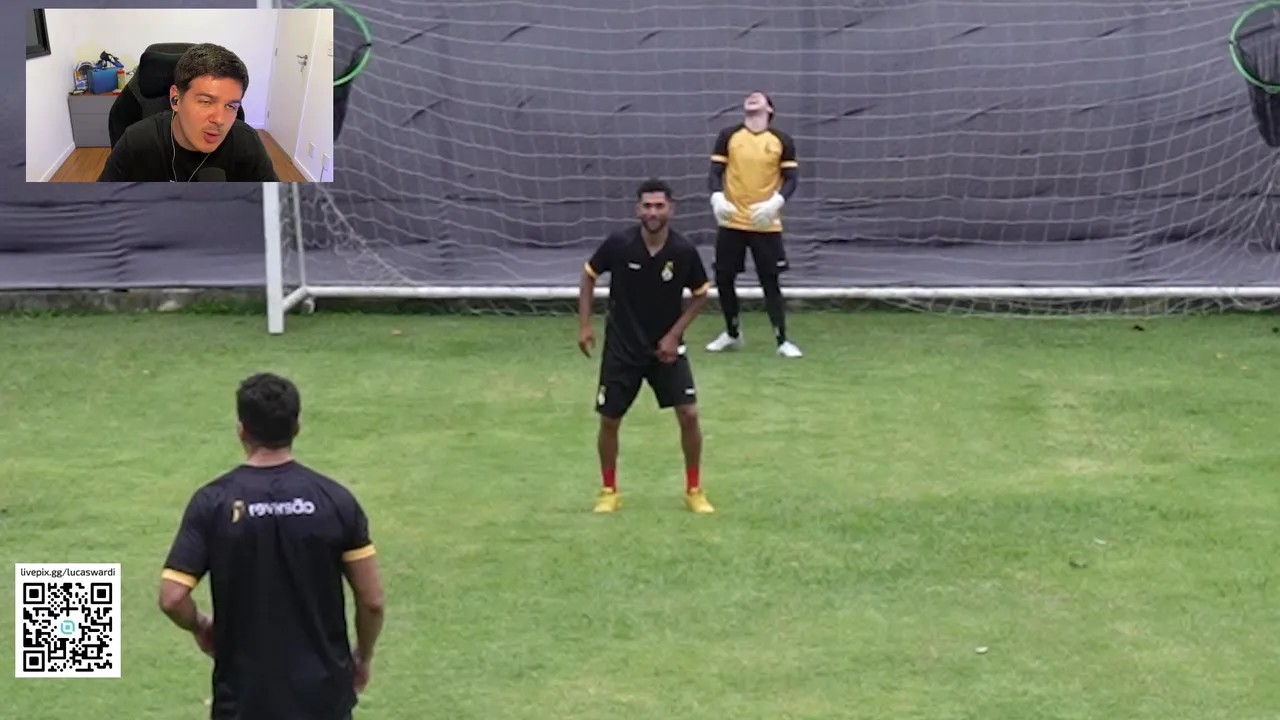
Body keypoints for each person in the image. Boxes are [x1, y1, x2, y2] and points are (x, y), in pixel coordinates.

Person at [157, 372, 385, 720]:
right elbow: (372, 602)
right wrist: (363, 656)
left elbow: (172, 598)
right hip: (323, 699)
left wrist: (201, 626)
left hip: (244, 700)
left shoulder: (212, 502)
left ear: (241, 430)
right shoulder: (335, 500)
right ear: (297, 428)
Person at [578, 178, 715, 514]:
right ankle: (609, 490)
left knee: (689, 414)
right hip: (623, 348)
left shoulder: (683, 251)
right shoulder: (620, 244)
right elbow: (589, 274)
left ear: (671, 209)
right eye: (647, 206)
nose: (653, 212)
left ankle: (694, 489)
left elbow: (701, 294)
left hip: (665, 350)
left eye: (659, 206)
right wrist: (585, 325)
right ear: (638, 209)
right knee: (609, 420)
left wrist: (674, 334)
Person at [704, 91, 802, 358]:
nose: (752, 97)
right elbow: (715, 173)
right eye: (750, 96)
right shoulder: (729, 135)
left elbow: (791, 179)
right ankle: (732, 333)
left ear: (770, 109)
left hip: (764, 222)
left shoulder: (781, 140)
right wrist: (717, 197)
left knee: (770, 280)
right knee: (724, 277)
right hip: (731, 220)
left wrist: (775, 203)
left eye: (759, 97)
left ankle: (782, 340)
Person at [98, 44, 279, 182]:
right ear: (175, 99)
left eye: (231, 106)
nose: (219, 120)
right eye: (206, 102)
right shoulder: (136, 143)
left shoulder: (246, 143)